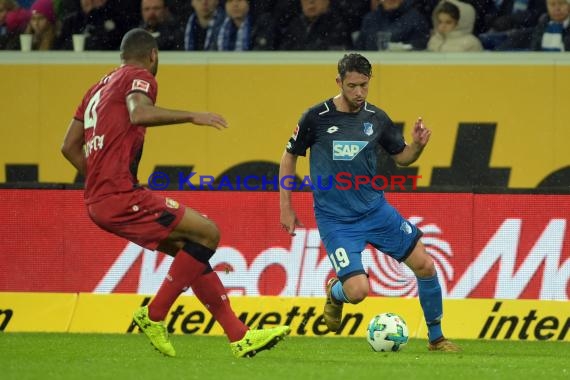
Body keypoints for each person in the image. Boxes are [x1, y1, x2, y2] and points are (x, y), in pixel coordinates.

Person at [61, 28, 290, 358]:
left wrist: (98, 177)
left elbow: (68, 147)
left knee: (191, 250)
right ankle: (154, 315)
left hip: (100, 198)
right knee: (209, 233)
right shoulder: (139, 76)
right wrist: (192, 116)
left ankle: (239, 336)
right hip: (119, 194)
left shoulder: (97, 88)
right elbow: (139, 112)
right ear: (153, 55)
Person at [279, 53, 461, 352]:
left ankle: (437, 338)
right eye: (352, 86)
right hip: (336, 221)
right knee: (359, 290)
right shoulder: (316, 117)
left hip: (376, 212)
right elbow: (289, 156)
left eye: (364, 85)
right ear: (339, 82)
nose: (359, 93)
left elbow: (402, 158)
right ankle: (337, 294)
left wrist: (416, 146)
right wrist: (286, 206)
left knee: (426, 265)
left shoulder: (376, 118)